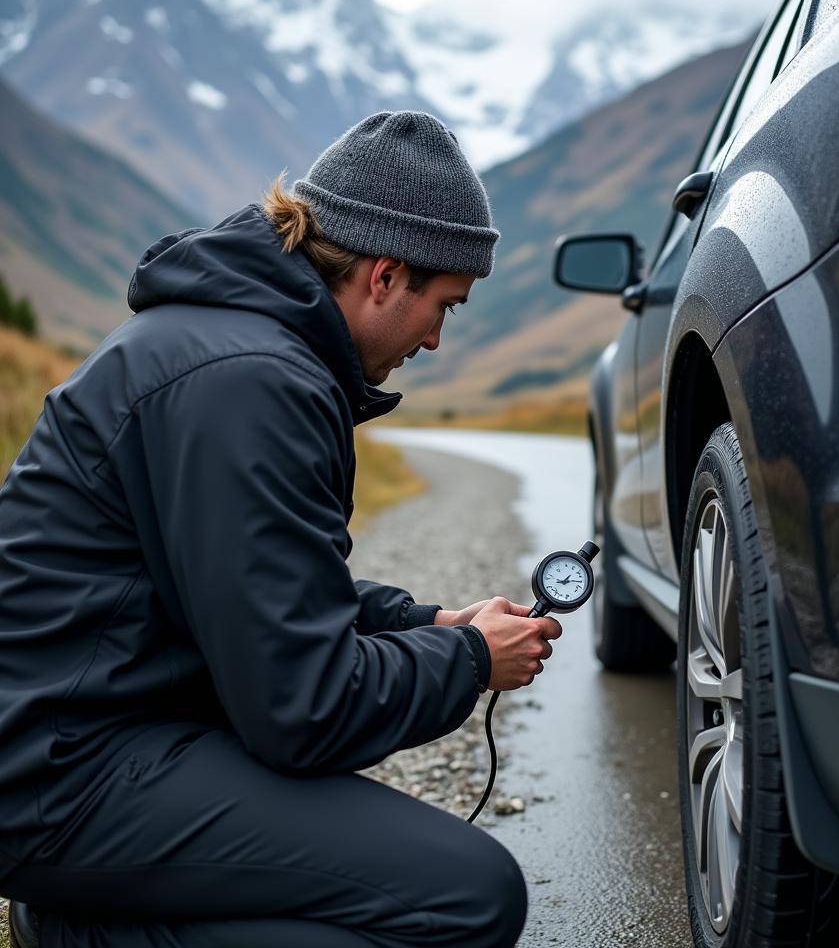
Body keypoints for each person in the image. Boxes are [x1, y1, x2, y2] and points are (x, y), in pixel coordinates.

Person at [0, 111, 562, 947]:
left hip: (89, 738)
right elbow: (302, 709)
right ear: (383, 275)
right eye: (442, 305)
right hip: (65, 774)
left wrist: (421, 624)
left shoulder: (240, 350)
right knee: (468, 896)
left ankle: (87, 912)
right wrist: (472, 658)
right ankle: (87, 930)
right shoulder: (252, 383)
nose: (439, 339)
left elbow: (248, 595)